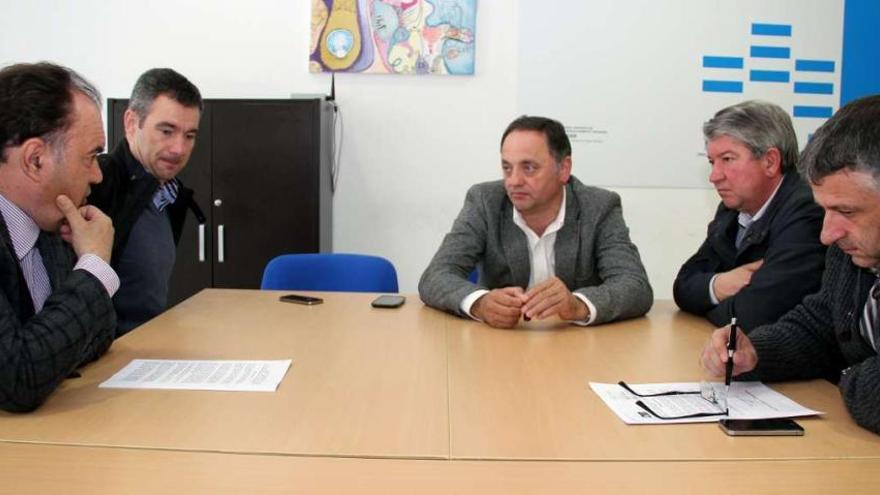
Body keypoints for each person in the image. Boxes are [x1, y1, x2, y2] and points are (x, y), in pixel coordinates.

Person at [700, 94, 880, 435]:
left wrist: (846, 372)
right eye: (825, 210)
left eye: (846, 211)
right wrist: (755, 352)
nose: (827, 234)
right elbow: (819, 324)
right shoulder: (852, 249)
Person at [419, 115, 652, 328]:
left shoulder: (599, 207)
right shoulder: (485, 201)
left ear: (564, 169)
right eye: (507, 168)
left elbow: (635, 286)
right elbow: (436, 275)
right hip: (500, 345)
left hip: (576, 344)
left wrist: (578, 305)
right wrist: (481, 303)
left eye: (529, 168)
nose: (514, 181)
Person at [0, 62, 118, 412]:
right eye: (91, 156)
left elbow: (100, 333)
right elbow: (18, 380)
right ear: (35, 160)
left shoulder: (49, 223)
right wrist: (94, 267)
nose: (97, 175)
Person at [674, 101, 826, 331]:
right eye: (711, 162)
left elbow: (753, 315)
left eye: (727, 159)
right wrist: (720, 285)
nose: (714, 176)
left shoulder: (808, 211)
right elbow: (683, 286)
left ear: (770, 161)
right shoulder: (732, 209)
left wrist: (707, 303)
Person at [89, 69, 203, 336]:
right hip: (105, 360)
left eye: (189, 136)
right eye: (166, 131)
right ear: (131, 122)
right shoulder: (97, 184)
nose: (179, 149)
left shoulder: (168, 194)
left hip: (148, 349)